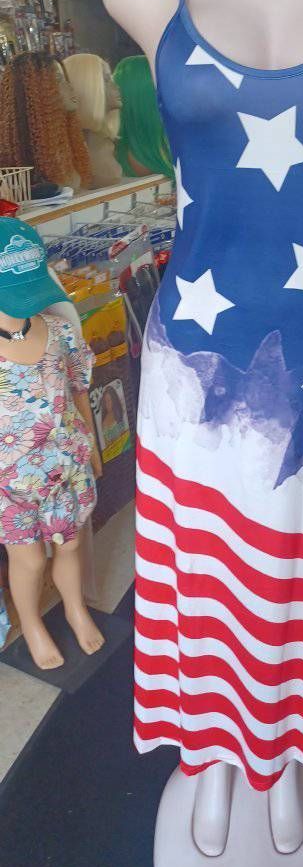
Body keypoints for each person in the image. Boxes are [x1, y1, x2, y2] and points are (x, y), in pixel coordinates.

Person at [0, 218, 104, 669]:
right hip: (10, 481)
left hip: (68, 463)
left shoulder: (59, 332)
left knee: (70, 544)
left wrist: (94, 446)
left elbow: (79, 389)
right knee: (28, 561)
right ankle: (34, 623)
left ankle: (75, 608)